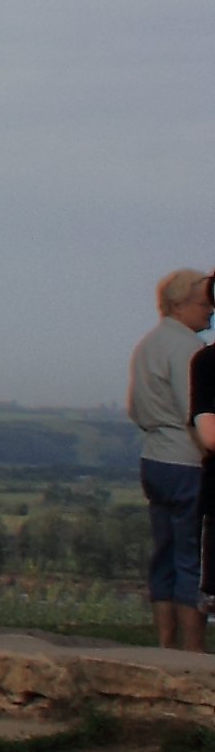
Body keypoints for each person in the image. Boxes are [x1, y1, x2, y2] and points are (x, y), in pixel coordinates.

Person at [157, 270, 215, 653]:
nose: (208, 311)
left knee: (168, 558)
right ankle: (189, 650)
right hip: (182, 463)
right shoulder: (195, 356)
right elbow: (207, 431)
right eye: (203, 304)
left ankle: (170, 648)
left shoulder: (199, 359)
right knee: (182, 558)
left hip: (160, 456)